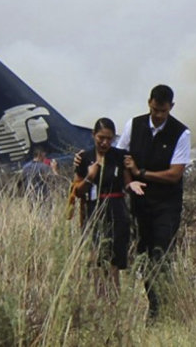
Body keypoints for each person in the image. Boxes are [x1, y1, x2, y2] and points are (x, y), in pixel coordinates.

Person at [117, 84, 191, 319]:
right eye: (155, 109)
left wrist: (142, 174)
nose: (158, 115)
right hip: (140, 203)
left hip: (166, 205)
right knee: (143, 253)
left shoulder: (181, 133)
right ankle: (153, 305)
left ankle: (160, 309)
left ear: (171, 107)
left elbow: (174, 174)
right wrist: (130, 183)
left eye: (163, 111)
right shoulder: (134, 125)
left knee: (160, 254)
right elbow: (122, 158)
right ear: (149, 102)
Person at [73, 118, 137, 294]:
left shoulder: (119, 156)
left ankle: (114, 302)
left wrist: (132, 184)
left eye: (109, 138)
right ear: (93, 135)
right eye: (101, 137)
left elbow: (127, 182)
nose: (104, 142)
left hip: (116, 210)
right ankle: (98, 298)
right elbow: (77, 191)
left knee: (114, 261)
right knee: (96, 257)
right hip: (94, 210)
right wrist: (89, 177)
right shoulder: (85, 158)